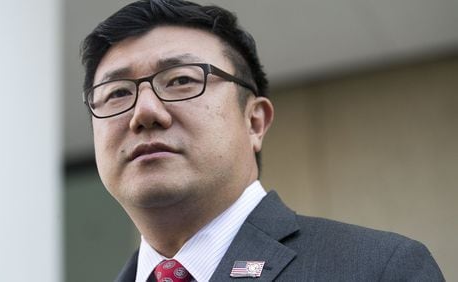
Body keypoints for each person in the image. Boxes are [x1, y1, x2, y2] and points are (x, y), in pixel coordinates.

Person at [80, 0, 444, 281]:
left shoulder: (378, 268)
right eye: (117, 93)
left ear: (254, 121)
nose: (144, 112)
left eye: (180, 81)